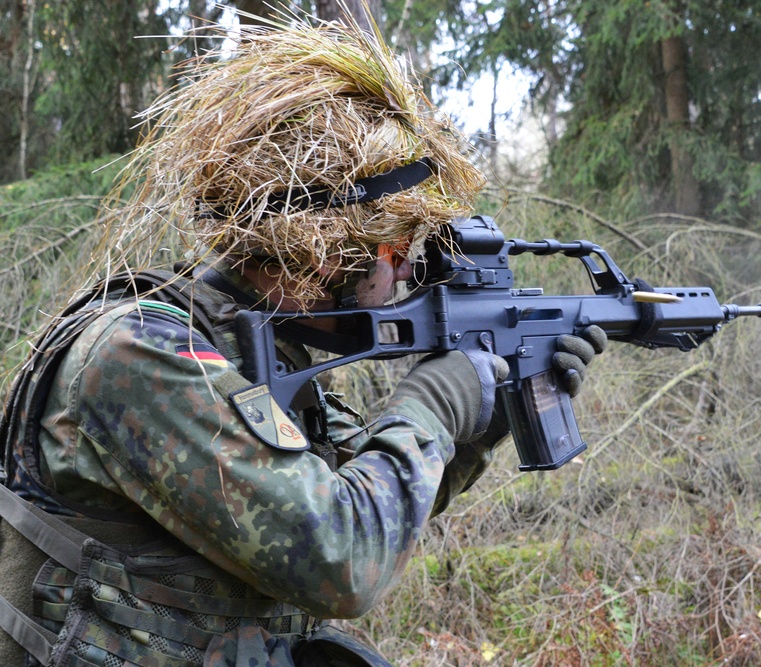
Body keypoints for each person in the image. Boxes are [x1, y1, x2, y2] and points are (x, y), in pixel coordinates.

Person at [0, 13, 606, 667]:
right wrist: (432, 405)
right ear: (321, 246)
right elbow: (340, 559)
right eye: (396, 246)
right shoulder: (139, 355)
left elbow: (368, 503)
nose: (403, 270)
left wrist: (476, 430)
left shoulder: (257, 353)